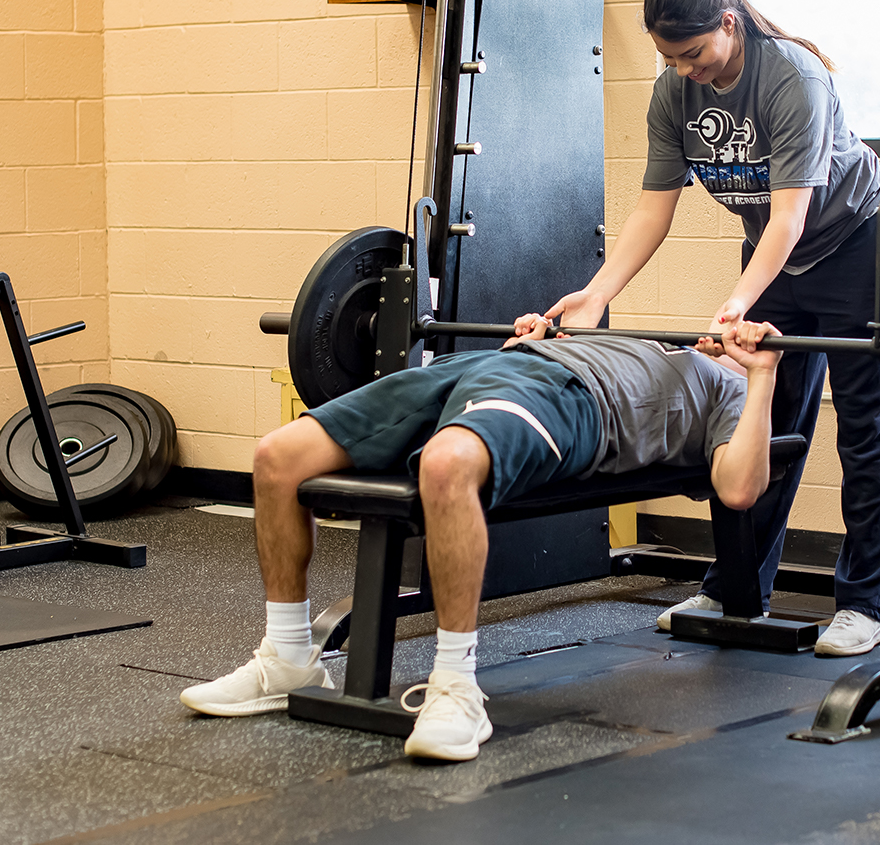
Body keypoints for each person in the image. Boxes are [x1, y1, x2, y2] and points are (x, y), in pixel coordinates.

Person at [179, 313, 782, 762]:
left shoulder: (731, 392)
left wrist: (761, 376)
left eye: (746, 332)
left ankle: (456, 688)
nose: (727, 330)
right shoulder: (646, 341)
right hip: (488, 365)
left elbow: (739, 488)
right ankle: (288, 659)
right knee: (277, 459)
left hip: (570, 400)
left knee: (444, 466)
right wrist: (541, 333)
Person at [547, 0, 880, 657]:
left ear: (731, 25)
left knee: (865, 427)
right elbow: (654, 210)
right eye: (671, 58)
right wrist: (598, 293)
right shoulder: (673, 93)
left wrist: (734, 305)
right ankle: (735, 586)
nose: (687, 69)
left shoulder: (794, 76)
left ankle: (863, 606)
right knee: (758, 420)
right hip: (775, 254)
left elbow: (791, 217)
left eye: (695, 52)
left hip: (854, 242)